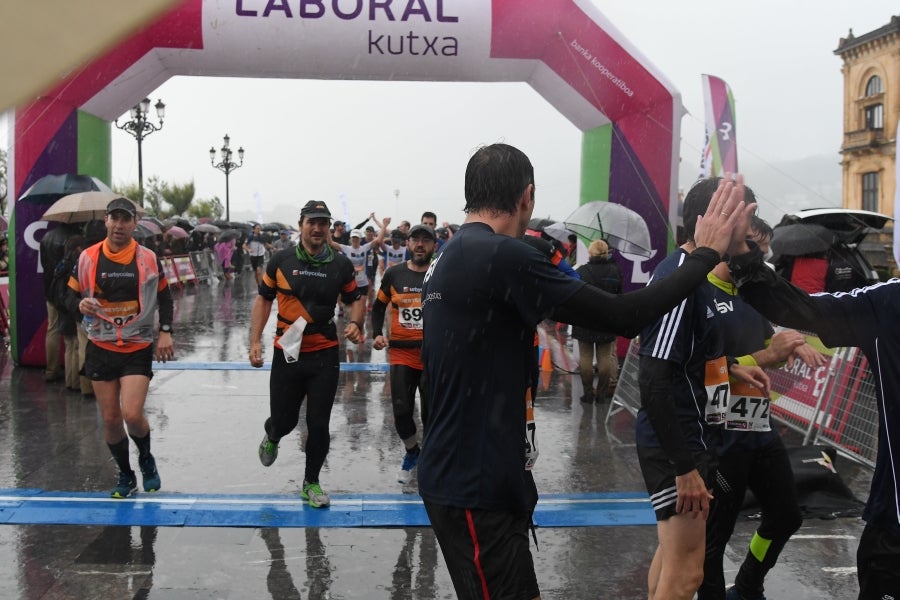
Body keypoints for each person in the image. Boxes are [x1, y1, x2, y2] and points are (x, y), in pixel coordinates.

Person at [419, 143, 753, 600]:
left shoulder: (452, 253)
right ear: (527, 197)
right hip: (474, 484)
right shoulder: (501, 255)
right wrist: (703, 255)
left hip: (463, 472)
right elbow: (626, 316)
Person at [726, 200, 900, 600]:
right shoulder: (889, 303)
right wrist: (741, 255)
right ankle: (745, 585)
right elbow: (799, 309)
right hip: (893, 529)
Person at [635, 175, 770, 600]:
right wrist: (684, 466)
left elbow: (686, 357)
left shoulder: (698, 274)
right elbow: (654, 376)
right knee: (687, 576)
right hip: (678, 443)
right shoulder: (683, 276)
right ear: (705, 220)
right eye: (736, 217)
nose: (746, 230)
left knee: (671, 561)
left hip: (692, 438)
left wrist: (730, 368)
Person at [698, 215, 823, 600]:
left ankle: (749, 584)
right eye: (752, 248)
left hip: (758, 426)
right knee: (713, 539)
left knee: (786, 515)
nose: (758, 259)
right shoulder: (697, 292)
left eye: (763, 252)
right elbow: (699, 368)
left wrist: (789, 347)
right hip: (720, 436)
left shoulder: (752, 294)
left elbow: (766, 349)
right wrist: (767, 357)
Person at [250, 200, 365, 508]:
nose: (317, 228)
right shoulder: (281, 260)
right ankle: (273, 434)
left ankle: (311, 482)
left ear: (329, 228)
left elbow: (356, 298)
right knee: (285, 420)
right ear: (300, 224)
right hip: (286, 352)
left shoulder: (340, 264)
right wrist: (255, 341)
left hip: (324, 353)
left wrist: (355, 322)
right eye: (312, 222)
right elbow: (263, 300)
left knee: (318, 423)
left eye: (323, 222)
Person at [64, 197, 174, 498]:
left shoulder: (148, 258)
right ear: (106, 221)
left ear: (134, 224)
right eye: (115, 218)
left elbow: (165, 297)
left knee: (132, 414)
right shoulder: (87, 257)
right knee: (111, 419)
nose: (120, 225)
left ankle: (146, 459)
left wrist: (165, 331)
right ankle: (125, 475)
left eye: (126, 219)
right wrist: (79, 304)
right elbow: (68, 298)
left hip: (136, 345)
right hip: (101, 344)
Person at [371, 223, 436, 485]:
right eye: (415, 240)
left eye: (425, 240)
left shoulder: (440, 273)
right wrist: (377, 332)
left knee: (431, 414)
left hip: (432, 355)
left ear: (434, 245)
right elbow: (378, 307)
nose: (420, 244)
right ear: (408, 244)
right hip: (401, 353)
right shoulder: (394, 274)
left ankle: (431, 461)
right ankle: (412, 452)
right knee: (400, 411)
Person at [572, 239, 623, 403]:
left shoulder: (581, 272)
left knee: (585, 359)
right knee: (605, 360)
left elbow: (575, 297)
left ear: (591, 253)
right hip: (606, 322)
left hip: (584, 321)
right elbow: (619, 296)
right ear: (606, 253)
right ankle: (601, 394)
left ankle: (587, 393)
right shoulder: (615, 271)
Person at [40, 222, 79, 382]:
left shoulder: (46, 237)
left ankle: (51, 369)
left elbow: (44, 264)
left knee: (53, 328)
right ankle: (73, 374)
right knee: (72, 335)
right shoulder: (74, 239)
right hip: (68, 291)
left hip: (51, 288)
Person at [329, 216, 389, 313]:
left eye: (357, 238)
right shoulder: (346, 248)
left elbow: (378, 240)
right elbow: (330, 242)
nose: (355, 240)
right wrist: (327, 227)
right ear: (350, 239)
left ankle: (359, 321)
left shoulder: (364, 248)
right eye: (353, 238)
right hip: (350, 283)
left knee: (361, 309)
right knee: (351, 309)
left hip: (362, 283)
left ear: (360, 239)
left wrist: (385, 225)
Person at [55, 235, 86, 392]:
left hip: (61, 307)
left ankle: (70, 381)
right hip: (71, 309)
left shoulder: (61, 263)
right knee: (77, 346)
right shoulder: (77, 264)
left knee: (69, 346)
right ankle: (79, 383)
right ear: (78, 248)